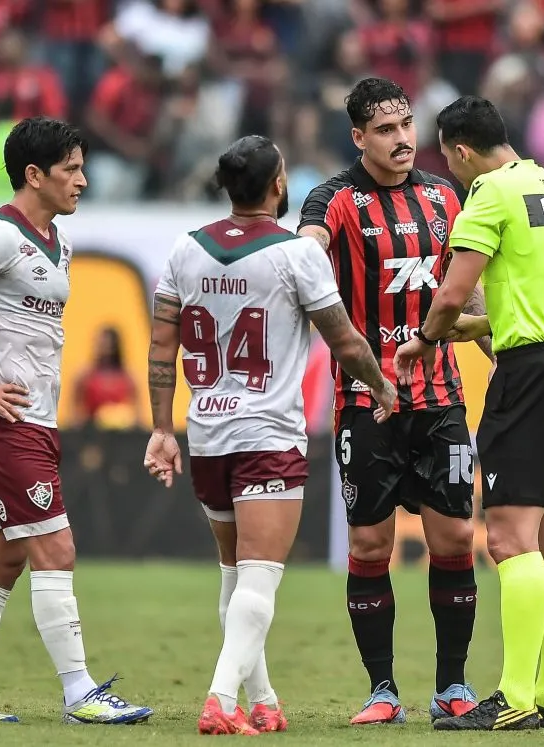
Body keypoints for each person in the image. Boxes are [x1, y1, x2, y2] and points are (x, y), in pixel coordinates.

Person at [143, 134, 397, 736]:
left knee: (235, 576)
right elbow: (345, 341)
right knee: (259, 579)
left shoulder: (186, 250)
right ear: (278, 185)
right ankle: (219, 699)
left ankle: (263, 701)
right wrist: (383, 388)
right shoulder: (296, 254)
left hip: (206, 433)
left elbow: (161, 345)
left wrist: (160, 427)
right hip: (267, 434)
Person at [0, 116, 153, 725]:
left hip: (37, 423)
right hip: (4, 424)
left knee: (2, 556)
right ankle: (80, 692)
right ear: (34, 174)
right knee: (57, 547)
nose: (83, 178)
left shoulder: (57, 239)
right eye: (71, 168)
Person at [394, 95, 544, 731]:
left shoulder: (490, 193)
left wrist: (427, 339)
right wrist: (481, 327)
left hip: (529, 378)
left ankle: (511, 697)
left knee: (511, 538)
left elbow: (452, 289)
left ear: (459, 150)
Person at [297, 77, 494, 726]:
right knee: (371, 545)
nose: (403, 137)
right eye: (385, 129)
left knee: (456, 536)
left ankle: (451, 687)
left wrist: (505, 360)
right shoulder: (336, 199)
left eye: (407, 123)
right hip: (366, 403)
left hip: (440, 401)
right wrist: (299, 253)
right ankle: (381, 690)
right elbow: (309, 244)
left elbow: (470, 298)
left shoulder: (444, 196)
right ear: (358, 137)